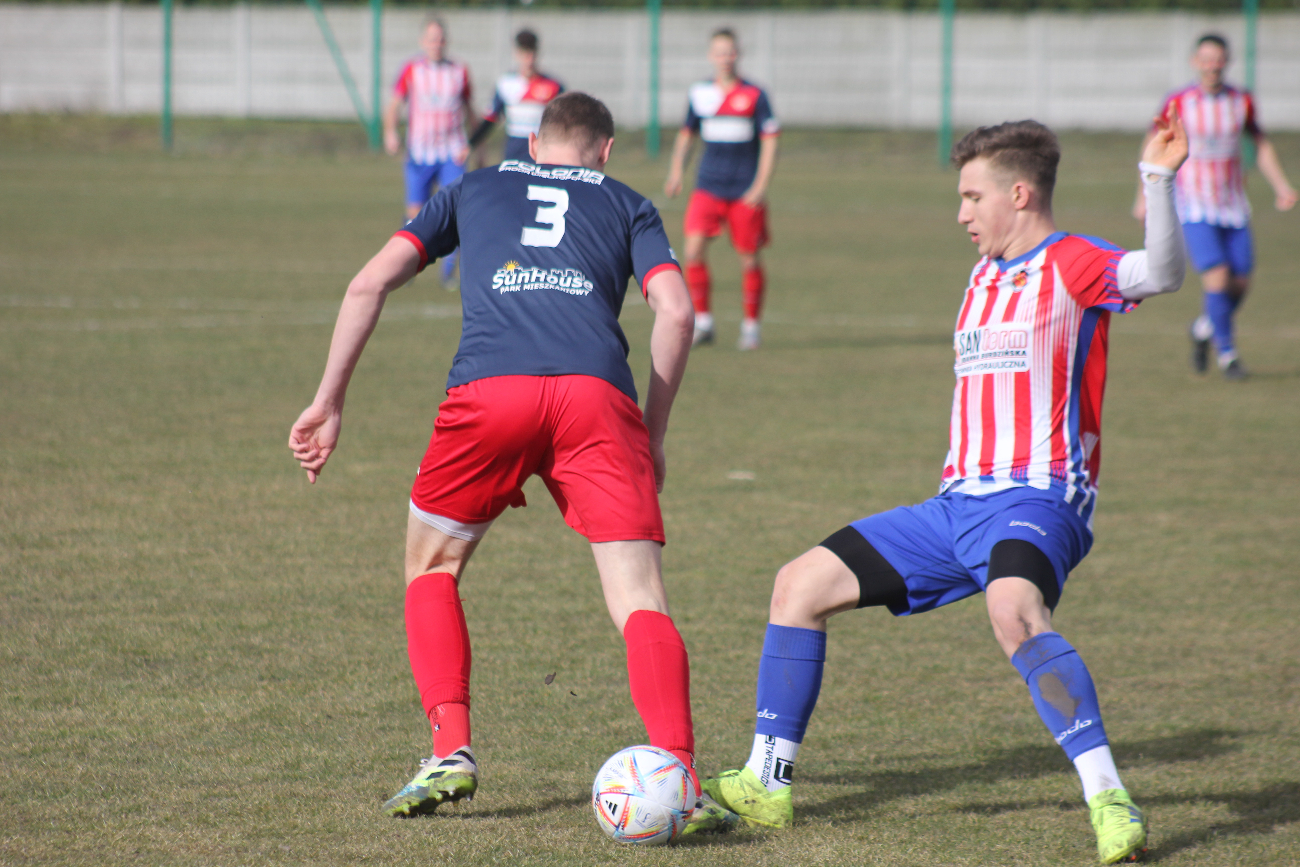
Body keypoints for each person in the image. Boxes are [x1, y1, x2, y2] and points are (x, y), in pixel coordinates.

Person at [702, 114, 1190, 865]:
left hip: (1036, 498)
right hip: (953, 506)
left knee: (1014, 609)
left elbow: (1158, 273)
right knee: (797, 585)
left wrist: (1156, 180)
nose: (961, 214)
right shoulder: (984, 273)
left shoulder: (1072, 262)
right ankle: (769, 780)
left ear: (1019, 194)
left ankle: (1108, 795)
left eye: (971, 196)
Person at [289, 92, 736, 833]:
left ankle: (449, 751)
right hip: (596, 398)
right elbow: (679, 312)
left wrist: (328, 401)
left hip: (488, 391)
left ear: (532, 142)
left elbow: (367, 281)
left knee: (432, 567)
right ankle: (678, 771)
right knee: (640, 598)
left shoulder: (475, 184)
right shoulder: (628, 202)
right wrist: (651, 433)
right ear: (606, 150)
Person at [1134, 33, 1297, 380]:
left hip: (1234, 205)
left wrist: (1281, 186)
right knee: (1218, 277)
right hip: (1194, 205)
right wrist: (1141, 196)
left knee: (1240, 283)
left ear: (1226, 62)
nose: (1212, 65)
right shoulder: (1179, 100)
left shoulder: (1241, 100)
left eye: (1218, 59)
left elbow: (1260, 144)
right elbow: (1154, 142)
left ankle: (1204, 328)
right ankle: (1228, 355)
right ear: (1196, 62)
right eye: (1206, 59)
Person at [664, 28, 779, 350]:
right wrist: (676, 171)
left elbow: (771, 142)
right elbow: (687, 134)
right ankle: (704, 323)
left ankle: (751, 327)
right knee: (691, 251)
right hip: (708, 188)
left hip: (744, 191)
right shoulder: (700, 93)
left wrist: (760, 185)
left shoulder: (755, 95)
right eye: (719, 52)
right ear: (710, 56)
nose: (725, 58)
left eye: (730, 51)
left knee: (749, 259)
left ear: (738, 54)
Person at [383, 17, 476, 284]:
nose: (436, 43)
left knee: (455, 207)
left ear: (446, 41)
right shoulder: (411, 69)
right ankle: (405, 263)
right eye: (431, 38)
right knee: (415, 211)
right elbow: (394, 105)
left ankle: (450, 268)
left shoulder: (459, 71)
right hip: (420, 153)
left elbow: (470, 112)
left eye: (440, 38)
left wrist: (476, 145)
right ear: (422, 41)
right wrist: (391, 132)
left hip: (452, 152)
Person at [469, 29, 564, 165]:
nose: (529, 60)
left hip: (542, 151)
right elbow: (490, 118)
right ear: (517, 54)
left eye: (532, 54)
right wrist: (471, 144)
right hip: (513, 151)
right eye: (525, 54)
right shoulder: (506, 84)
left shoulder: (554, 86)